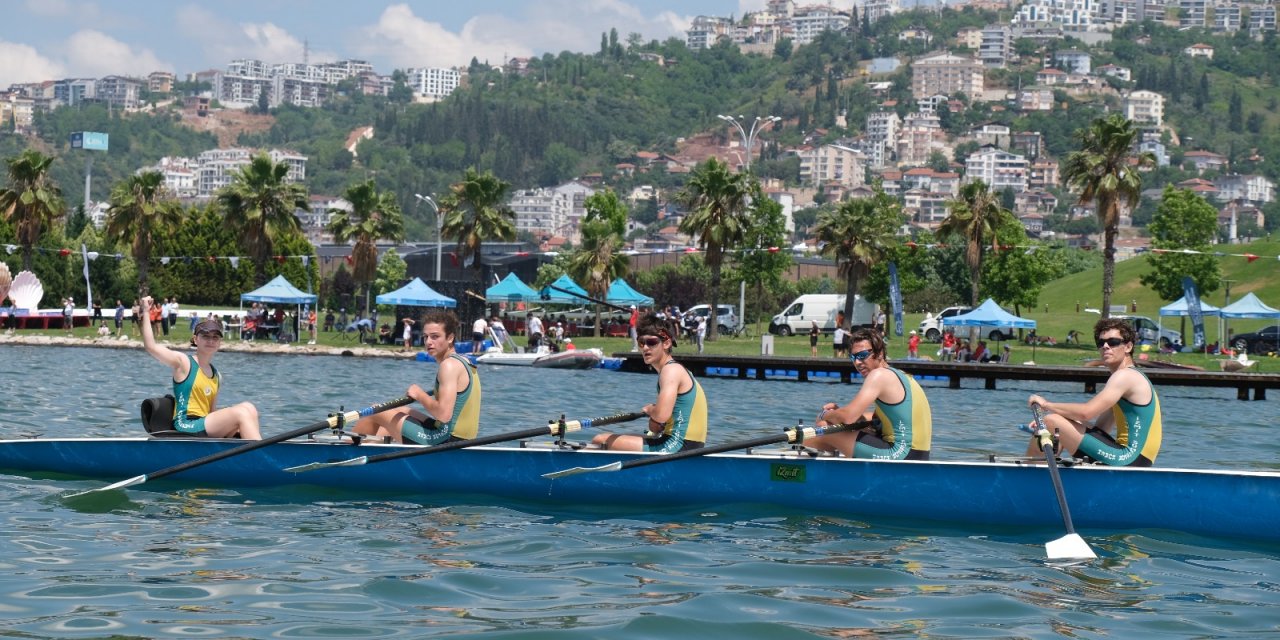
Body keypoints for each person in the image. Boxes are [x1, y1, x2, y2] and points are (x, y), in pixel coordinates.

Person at [1024, 318, 1162, 467]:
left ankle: (1026, 475)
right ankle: (1047, 467)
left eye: (1113, 342)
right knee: (1058, 422)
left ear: (1128, 347)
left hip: (1129, 458)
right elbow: (1101, 429)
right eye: (1101, 343)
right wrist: (1063, 422)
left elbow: (1086, 413)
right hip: (1135, 459)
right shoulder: (1126, 379)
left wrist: (1046, 405)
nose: (1105, 347)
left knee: (1051, 422)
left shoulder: (1124, 376)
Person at [138, 296, 261, 439]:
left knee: (249, 407)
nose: (210, 341)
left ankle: (251, 450)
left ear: (219, 343)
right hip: (186, 424)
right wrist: (146, 311)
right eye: (205, 336)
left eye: (215, 338)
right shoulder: (183, 362)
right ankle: (263, 455)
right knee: (241, 413)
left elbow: (211, 412)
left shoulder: (217, 375)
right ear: (196, 340)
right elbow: (151, 346)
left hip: (204, 424)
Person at [352, 310, 481, 445]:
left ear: (450, 338)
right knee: (399, 411)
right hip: (459, 438)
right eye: (426, 337)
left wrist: (420, 395)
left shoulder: (448, 366)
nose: (428, 342)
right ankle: (375, 449)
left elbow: (443, 414)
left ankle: (348, 454)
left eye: (435, 337)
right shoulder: (465, 361)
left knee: (375, 411)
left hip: (445, 440)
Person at [808, 328, 932, 460]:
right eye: (853, 357)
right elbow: (874, 418)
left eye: (862, 355)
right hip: (919, 456)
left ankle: (798, 453)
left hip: (900, 454)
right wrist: (841, 415)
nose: (857, 362)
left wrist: (825, 415)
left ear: (879, 353)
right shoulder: (902, 375)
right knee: (841, 429)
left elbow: (848, 417)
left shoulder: (878, 375)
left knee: (824, 428)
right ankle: (817, 452)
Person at [593, 313, 707, 453]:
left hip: (677, 445)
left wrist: (650, 410)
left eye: (651, 342)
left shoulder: (670, 371)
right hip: (686, 445)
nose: (645, 348)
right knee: (618, 438)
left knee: (600, 440)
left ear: (666, 343)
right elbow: (658, 423)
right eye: (641, 342)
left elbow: (661, 415)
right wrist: (655, 420)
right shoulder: (676, 370)